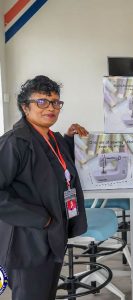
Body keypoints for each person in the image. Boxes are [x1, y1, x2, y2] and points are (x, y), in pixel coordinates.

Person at [0, 75, 89, 300]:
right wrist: (42, 219)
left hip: (52, 235)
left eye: (55, 102)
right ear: (24, 107)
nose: (51, 108)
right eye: (42, 102)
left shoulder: (52, 138)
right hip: (28, 239)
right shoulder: (14, 142)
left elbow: (52, 166)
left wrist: (70, 138)